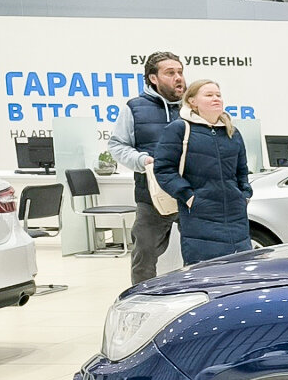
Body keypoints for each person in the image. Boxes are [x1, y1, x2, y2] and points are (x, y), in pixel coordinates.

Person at [151, 79, 252, 266]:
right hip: (199, 214)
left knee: (239, 267)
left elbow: (242, 170)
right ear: (192, 101)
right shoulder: (179, 129)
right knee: (205, 270)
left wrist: (244, 194)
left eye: (218, 95)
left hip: (235, 214)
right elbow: (164, 169)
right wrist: (188, 196)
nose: (216, 99)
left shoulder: (232, 132)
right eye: (209, 95)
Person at [107, 49, 184, 284]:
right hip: (151, 196)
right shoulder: (135, 108)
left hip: (189, 193)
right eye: (170, 73)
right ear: (153, 78)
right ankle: (143, 297)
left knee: (200, 252)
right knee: (144, 256)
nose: (178, 78)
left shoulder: (192, 106)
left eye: (180, 72)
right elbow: (117, 145)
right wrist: (141, 160)